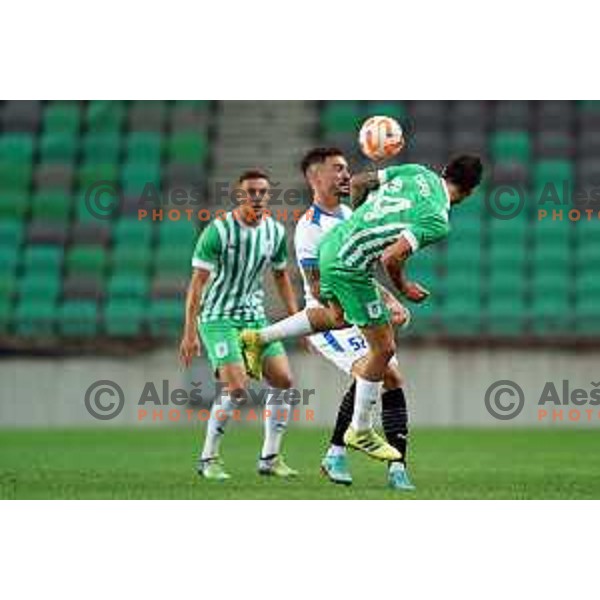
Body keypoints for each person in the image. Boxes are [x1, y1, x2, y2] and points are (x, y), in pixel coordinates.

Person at [241, 155, 483, 465]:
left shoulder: (415, 171)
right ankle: (361, 430)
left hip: (332, 245)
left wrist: (358, 223)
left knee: (336, 318)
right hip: (350, 267)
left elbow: (358, 182)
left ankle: (258, 338)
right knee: (383, 350)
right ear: (470, 191)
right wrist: (404, 288)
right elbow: (391, 258)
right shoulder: (437, 218)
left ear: (444, 170)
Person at [294, 147, 415, 490]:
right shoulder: (309, 227)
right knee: (381, 368)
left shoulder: (349, 214)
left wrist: (391, 300)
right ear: (314, 177)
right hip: (333, 320)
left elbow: (361, 272)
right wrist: (359, 312)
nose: (346, 175)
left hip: (359, 309)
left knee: (388, 376)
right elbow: (318, 288)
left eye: (347, 168)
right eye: (337, 169)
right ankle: (341, 453)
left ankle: (394, 467)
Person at [179, 169, 300, 480]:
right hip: (218, 318)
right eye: (251, 192)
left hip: (255, 319)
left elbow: (281, 276)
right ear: (240, 195)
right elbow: (196, 285)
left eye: (263, 192)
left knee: (284, 380)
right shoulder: (218, 231)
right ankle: (208, 459)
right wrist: (190, 333)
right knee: (236, 388)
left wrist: (297, 319)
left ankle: (270, 458)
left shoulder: (274, 232)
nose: (257, 197)